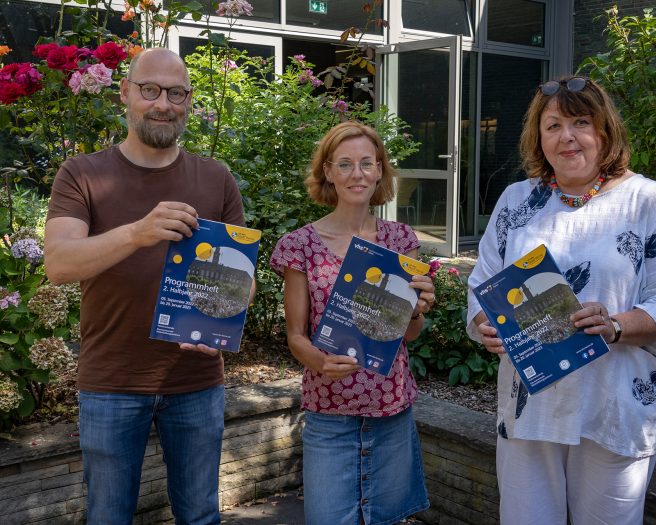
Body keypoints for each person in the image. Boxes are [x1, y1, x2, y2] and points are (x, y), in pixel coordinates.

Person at [466, 75, 656, 525]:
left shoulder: (644, 199)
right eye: (553, 126)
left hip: (613, 403)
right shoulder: (517, 200)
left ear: (604, 132)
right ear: (539, 138)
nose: (567, 137)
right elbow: (482, 284)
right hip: (531, 403)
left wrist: (617, 325)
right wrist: (484, 325)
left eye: (580, 123)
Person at [44, 48, 247, 524]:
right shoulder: (82, 174)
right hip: (111, 382)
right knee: (109, 517)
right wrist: (138, 232)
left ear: (189, 102)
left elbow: (243, 282)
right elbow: (59, 263)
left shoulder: (216, 179)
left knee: (200, 516)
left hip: (196, 381)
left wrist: (221, 316)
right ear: (125, 93)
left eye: (176, 93)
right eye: (150, 90)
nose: (163, 104)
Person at [270, 121, 433, 525]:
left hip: (392, 409)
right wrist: (320, 362)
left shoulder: (400, 240)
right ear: (328, 172)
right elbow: (295, 336)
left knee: (387, 520)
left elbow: (408, 336)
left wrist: (416, 311)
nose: (356, 174)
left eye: (366, 163)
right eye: (344, 164)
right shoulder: (300, 245)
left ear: (380, 170)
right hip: (330, 410)